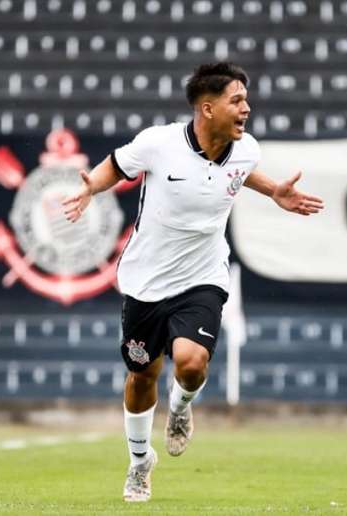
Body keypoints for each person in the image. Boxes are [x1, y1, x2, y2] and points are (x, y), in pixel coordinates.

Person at [62, 62, 324, 502]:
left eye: (246, 99)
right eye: (236, 100)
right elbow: (116, 165)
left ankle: (181, 409)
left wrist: (274, 189)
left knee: (190, 361)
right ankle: (140, 462)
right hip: (146, 280)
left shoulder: (247, 150)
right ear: (207, 108)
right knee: (142, 375)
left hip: (203, 275)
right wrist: (91, 188)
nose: (247, 107)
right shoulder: (158, 143)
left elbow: (237, 173)